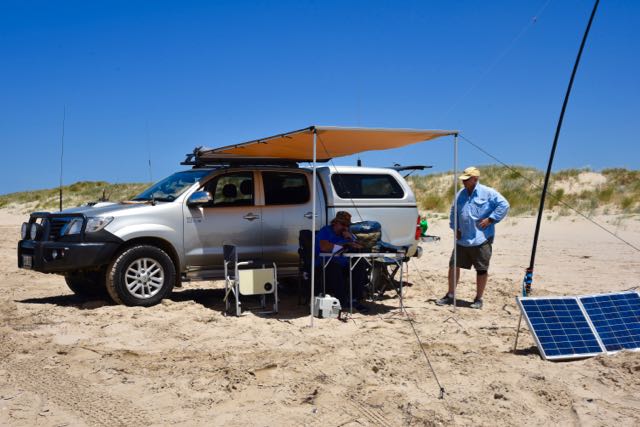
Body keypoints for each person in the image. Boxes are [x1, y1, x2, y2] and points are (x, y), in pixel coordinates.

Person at [436, 167, 509, 309]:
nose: (464, 182)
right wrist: (455, 227)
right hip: (462, 238)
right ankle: (450, 295)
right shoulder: (460, 194)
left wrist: (491, 219)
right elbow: (453, 211)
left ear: (475, 179)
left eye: (467, 179)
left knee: (481, 269)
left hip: (481, 238)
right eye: (463, 179)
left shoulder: (488, 192)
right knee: (453, 265)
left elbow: (504, 205)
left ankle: (478, 298)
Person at [315, 211, 370, 313]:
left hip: (343, 263)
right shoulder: (326, 231)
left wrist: (350, 238)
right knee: (334, 267)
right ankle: (342, 300)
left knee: (359, 264)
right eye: (343, 224)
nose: (345, 227)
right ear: (335, 222)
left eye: (347, 225)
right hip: (326, 262)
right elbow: (324, 247)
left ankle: (354, 298)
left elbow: (360, 246)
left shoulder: (346, 234)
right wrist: (344, 245)